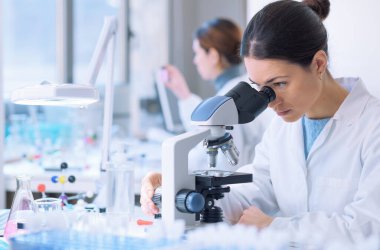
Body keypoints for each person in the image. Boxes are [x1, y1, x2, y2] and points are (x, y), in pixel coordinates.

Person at [142, 0, 380, 242]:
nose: (270, 100)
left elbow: (368, 228)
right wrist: (179, 190)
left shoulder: (373, 127)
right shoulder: (282, 127)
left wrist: (273, 227)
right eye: (261, 87)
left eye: (279, 84)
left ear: (318, 64)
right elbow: (254, 189)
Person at [158, 18, 273, 171]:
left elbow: (221, 167)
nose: (195, 61)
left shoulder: (232, 102)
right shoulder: (242, 88)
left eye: (197, 53)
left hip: (245, 189)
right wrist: (182, 93)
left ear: (212, 55)